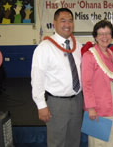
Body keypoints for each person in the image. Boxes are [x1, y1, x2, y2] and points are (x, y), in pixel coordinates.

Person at [31, 8, 83, 147]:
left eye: (70, 21)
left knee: (74, 140)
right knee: (57, 142)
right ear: (54, 23)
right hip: (57, 104)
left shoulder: (78, 45)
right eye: (63, 20)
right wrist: (41, 105)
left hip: (78, 101)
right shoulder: (45, 47)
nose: (67, 24)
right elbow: (37, 78)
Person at [81, 20, 113, 147]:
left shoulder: (111, 53)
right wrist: (91, 108)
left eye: (108, 33)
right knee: (100, 139)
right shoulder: (89, 55)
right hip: (98, 105)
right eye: (101, 34)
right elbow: (86, 83)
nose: (105, 37)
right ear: (95, 36)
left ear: (112, 36)